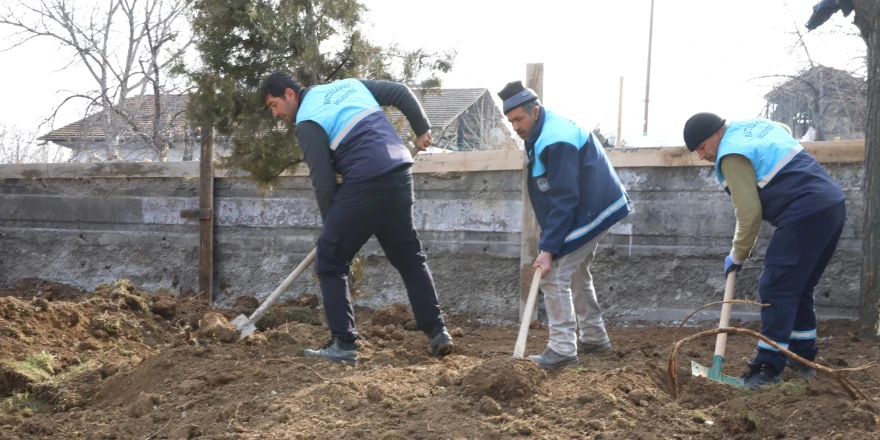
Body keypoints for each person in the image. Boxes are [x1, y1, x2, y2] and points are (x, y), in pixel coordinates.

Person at [260, 72, 453, 366]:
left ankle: (343, 344)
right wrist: (421, 128)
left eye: (274, 105)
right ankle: (438, 333)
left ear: (290, 94)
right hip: (399, 173)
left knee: (329, 262)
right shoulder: (349, 86)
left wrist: (332, 232)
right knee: (410, 258)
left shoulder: (308, 121)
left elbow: (323, 183)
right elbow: (400, 92)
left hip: (365, 182)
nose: (276, 114)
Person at [682, 112, 846, 389]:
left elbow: (748, 213)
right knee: (798, 287)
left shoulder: (731, 155)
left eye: (701, 147)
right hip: (832, 204)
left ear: (717, 134)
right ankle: (802, 356)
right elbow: (782, 128)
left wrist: (737, 255)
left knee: (776, 287)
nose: (701, 156)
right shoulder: (757, 126)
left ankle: (767, 368)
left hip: (804, 211)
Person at [497, 80, 631, 370]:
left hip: (591, 208)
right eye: (511, 122)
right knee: (575, 272)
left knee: (552, 273)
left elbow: (565, 197)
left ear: (535, 111)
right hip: (592, 205)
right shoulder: (541, 131)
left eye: (519, 119)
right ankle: (594, 337)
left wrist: (549, 248)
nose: (516, 127)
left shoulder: (556, 138)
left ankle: (562, 350)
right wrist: (552, 242)